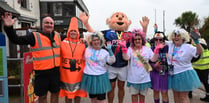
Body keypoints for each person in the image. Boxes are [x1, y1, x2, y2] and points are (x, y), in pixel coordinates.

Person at [79, 12, 149, 103]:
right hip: (111, 65)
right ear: (109, 21)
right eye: (116, 16)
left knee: (121, 87)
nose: (120, 18)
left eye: (122, 17)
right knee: (111, 87)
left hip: (123, 65)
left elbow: (140, 38)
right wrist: (86, 23)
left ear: (128, 22)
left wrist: (144, 28)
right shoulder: (107, 33)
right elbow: (94, 33)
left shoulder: (129, 34)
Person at [2, 12, 61, 103]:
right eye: (47, 23)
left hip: (55, 71)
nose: (49, 25)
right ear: (42, 24)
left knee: (55, 93)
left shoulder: (57, 35)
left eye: (51, 23)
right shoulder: (34, 36)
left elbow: (70, 41)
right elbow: (16, 39)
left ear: (53, 25)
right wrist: (9, 28)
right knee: (42, 96)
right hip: (41, 73)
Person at [122, 29, 161, 103]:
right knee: (134, 98)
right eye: (135, 39)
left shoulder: (147, 49)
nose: (137, 41)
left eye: (139, 39)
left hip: (144, 79)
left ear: (142, 39)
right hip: (133, 79)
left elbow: (153, 59)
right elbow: (126, 58)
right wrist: (124, 50)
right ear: (133, 41)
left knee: (142, 99)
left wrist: (156, 51)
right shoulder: (130, 49)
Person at [167, 28, 202, 103]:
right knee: (175, 96)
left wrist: (197, 42)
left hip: (184, 74)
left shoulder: (188, 47)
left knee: (183, 97)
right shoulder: (170, 45)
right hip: (173, 74)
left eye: (178, 35)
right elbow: (159, 41)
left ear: (183, 37)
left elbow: (199, 52)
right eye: (175, 35)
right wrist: (156, 31)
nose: (176, 37)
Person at [80, 32, 115, 103]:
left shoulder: (104, 52)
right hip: (90, 77)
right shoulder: (87, 49)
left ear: (101, 41)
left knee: (101, 99)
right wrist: (82, 41)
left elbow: (112, 61)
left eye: (98, 40)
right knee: (93, 99)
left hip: (100, 78)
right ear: (91, 42)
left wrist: (110, 51)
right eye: (94, 40)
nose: (96, 42)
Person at [59, 17, 87, 103]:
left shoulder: (82, 43)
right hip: (66, 74)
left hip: (79, 73)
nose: (73, 32)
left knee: (78, 95)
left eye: (75, 31)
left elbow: (86, 56)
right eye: (71, 31)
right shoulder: (63, 43)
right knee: (68, 95)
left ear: (78, 33)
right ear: (68, 32)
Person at [149, 31, 169, 103]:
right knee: (156, 91)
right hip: (155, 72)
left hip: (164, 71)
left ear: (163, 40)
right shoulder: (151, 48)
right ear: (154, 40)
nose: (158, 41)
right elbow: (148, 62)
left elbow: (172, 61)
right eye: (156, 39)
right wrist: (154, 65)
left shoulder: (167, 47)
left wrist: (171, 73)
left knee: (164, 92)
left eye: (160, 39)